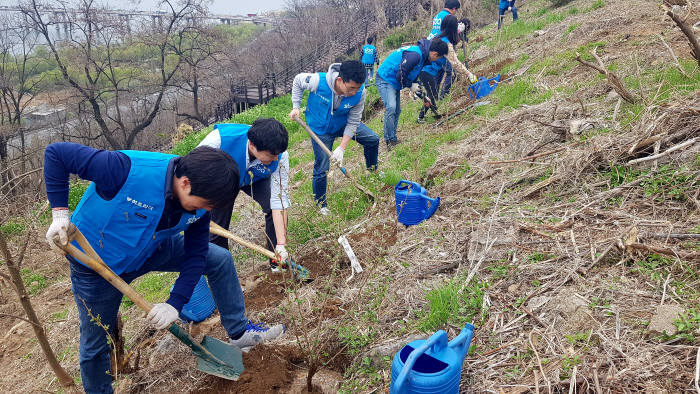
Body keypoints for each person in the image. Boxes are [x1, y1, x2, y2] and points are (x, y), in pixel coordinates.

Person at [44, 142, 285, 394]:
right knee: (95, 344)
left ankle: (239, 332)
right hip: (97, 263)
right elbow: (56, 154)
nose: (204, 212)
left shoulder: (200, 204)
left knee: (219, 258)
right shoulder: (123, 170)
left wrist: (174, 303)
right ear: (185, 183)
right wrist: (60, 214)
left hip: (151, 248)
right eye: (202, 205)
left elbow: (196, 255)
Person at [198, 118, 291, 272]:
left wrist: (282, 243)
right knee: (217, 227)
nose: (276, 159)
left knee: (270, 205)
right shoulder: (219, 140)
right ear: (252, 145)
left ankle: (278, 260)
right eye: (271, 155)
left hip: (255, 176)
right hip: (224, 179)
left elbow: (279, 200)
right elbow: (193, 171)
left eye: (278, 154)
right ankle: (224, 271)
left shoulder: (279, 154)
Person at [289, 60, 379, 215]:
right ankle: (321, 204)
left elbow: (354, 121)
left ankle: (372, 170)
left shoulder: (360, 92)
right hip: (320, 129)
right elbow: (297, 80)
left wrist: (342, 148)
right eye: (351, 88)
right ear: (339, 80)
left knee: (372, 139)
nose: (354, 92)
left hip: (343, 123)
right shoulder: (318, 82)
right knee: (322, 167)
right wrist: (296, 106)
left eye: (357, 88)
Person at [375, 38, 448, 148]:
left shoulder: (423, 57)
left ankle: (393, 138)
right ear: (435, 53)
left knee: (397, 110)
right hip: (385, 78)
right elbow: (401, 75)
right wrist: (410, 85)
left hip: (394, 81)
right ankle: (389, 140)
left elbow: (412, 78)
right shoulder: (416, 55)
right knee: (391, 107)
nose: (435, 61)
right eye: (438, 58)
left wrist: (424, 98)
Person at [433, 14, 478, 99]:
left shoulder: (439, 33)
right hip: (427, 68)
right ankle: (442, 97)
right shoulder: (446, 43)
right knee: (451, 73)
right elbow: (455, 63)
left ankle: (434, 99)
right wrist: (469, 74)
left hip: (431, 66)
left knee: (438, 77)